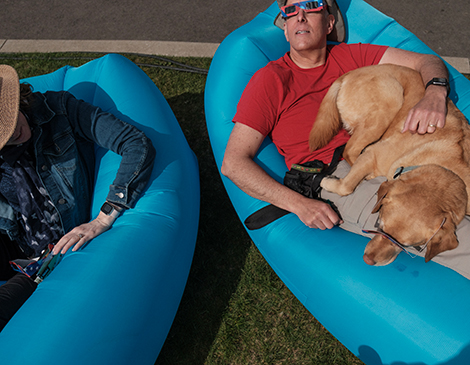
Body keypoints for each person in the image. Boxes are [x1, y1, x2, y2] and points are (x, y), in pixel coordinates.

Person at [222, 0, 470, 279]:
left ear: (329, 23)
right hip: (333, 173)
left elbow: (426, 61)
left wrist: (435, 92)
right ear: (285, 30)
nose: (299, 16)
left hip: (386, 153)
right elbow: (233, 163)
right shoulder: (271, 80)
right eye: (290, 11)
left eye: (310, 6)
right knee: (458, 235)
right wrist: (299, 205)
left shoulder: (352, 56)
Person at [0, 64, 156, 330]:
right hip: (14, 239)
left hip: (49, 252)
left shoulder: (60, 110)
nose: (13, 132)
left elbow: (135, 143)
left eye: (10, 118)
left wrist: (104, 218)